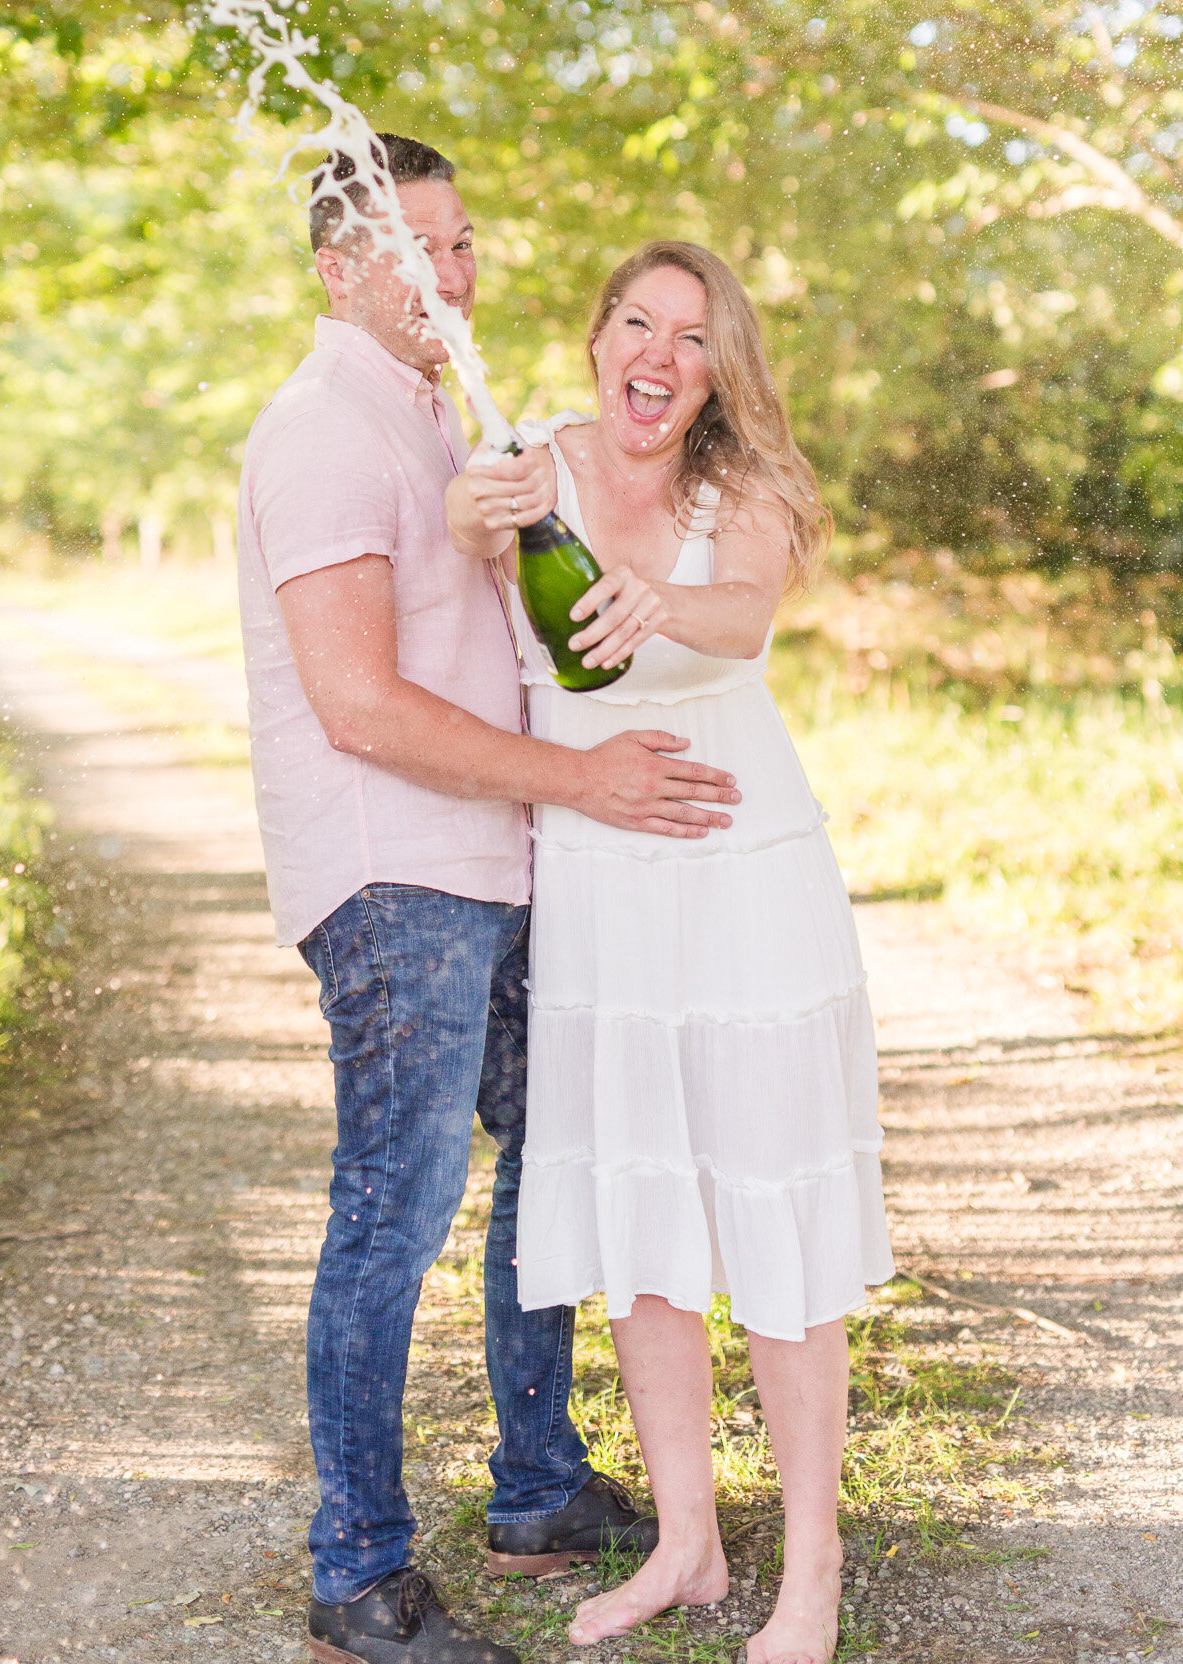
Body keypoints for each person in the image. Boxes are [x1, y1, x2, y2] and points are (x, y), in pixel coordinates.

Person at [237, 140, 743, 1664]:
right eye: (415, 248)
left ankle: (533, 1485)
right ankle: (359, 1574)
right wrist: (576, 779)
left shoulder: (435, 416)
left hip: (488, 859)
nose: (450, 273)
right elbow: (359, 708)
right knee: (393, 1206)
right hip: (396, 871)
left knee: (545, 1152)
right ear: (338, 268)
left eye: (461, 243)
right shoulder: (320, 430)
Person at [447, 239, 895, 1664]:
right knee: (643, 1240)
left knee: (773, 1221)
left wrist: (660, 606)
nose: (656, 351)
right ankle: (689, 1550)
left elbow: (743, 615)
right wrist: (470, 505)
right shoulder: (530, 467)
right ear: (596, 341)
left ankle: (808, 1571)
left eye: (690, 337)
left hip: (741, 879)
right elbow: (466, 538)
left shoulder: (740, 487)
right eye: (634, 322)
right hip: (601, 889)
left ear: (716, 371)